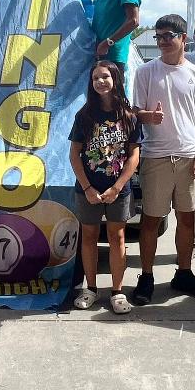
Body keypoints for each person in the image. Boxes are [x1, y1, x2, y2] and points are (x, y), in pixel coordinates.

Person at [131, 13, 195, 304]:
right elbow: (135, 113)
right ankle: (146, 277)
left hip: (187, 158)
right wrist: (148, 116)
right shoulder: (145, 72)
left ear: (183, 39)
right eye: (159, 36)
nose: (163, 41)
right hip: (155, 156)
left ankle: (183, 273)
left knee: (187, 218)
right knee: (151, 220)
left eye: (169, 35)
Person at [68, 60, 142, 314]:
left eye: (105, 77)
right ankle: (90, 288)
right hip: (88, 190)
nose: (101, 81)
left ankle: (118, 291)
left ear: (116, 80)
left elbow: (134, 156)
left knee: (117, 237)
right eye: (96, 78)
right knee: (88, 237)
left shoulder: (129, 116)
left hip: (118, 191)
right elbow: (74, 155)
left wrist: (118, 187)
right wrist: (88, 187)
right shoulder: (84, 116)